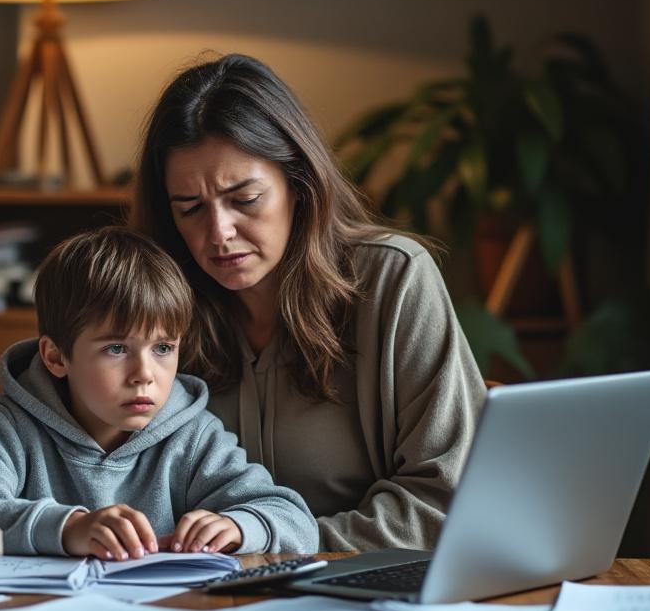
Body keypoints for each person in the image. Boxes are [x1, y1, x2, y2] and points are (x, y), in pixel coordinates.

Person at [131, 53, 485, 552]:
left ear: (298, 186)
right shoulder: (155, 302)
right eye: (190, 208)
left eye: (245, 199)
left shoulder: (394, 278)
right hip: (193, 592)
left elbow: (447, 503)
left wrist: (275, 543)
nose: (218, 233)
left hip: (365, 592)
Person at [0, 226, 318, 561]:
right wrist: (67, 529)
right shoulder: (12, 425)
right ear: (56, 356)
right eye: (116, 349)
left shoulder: (192, 436)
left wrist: (240, 526)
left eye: (162, 349)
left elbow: (297, 522)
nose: (144, 375)